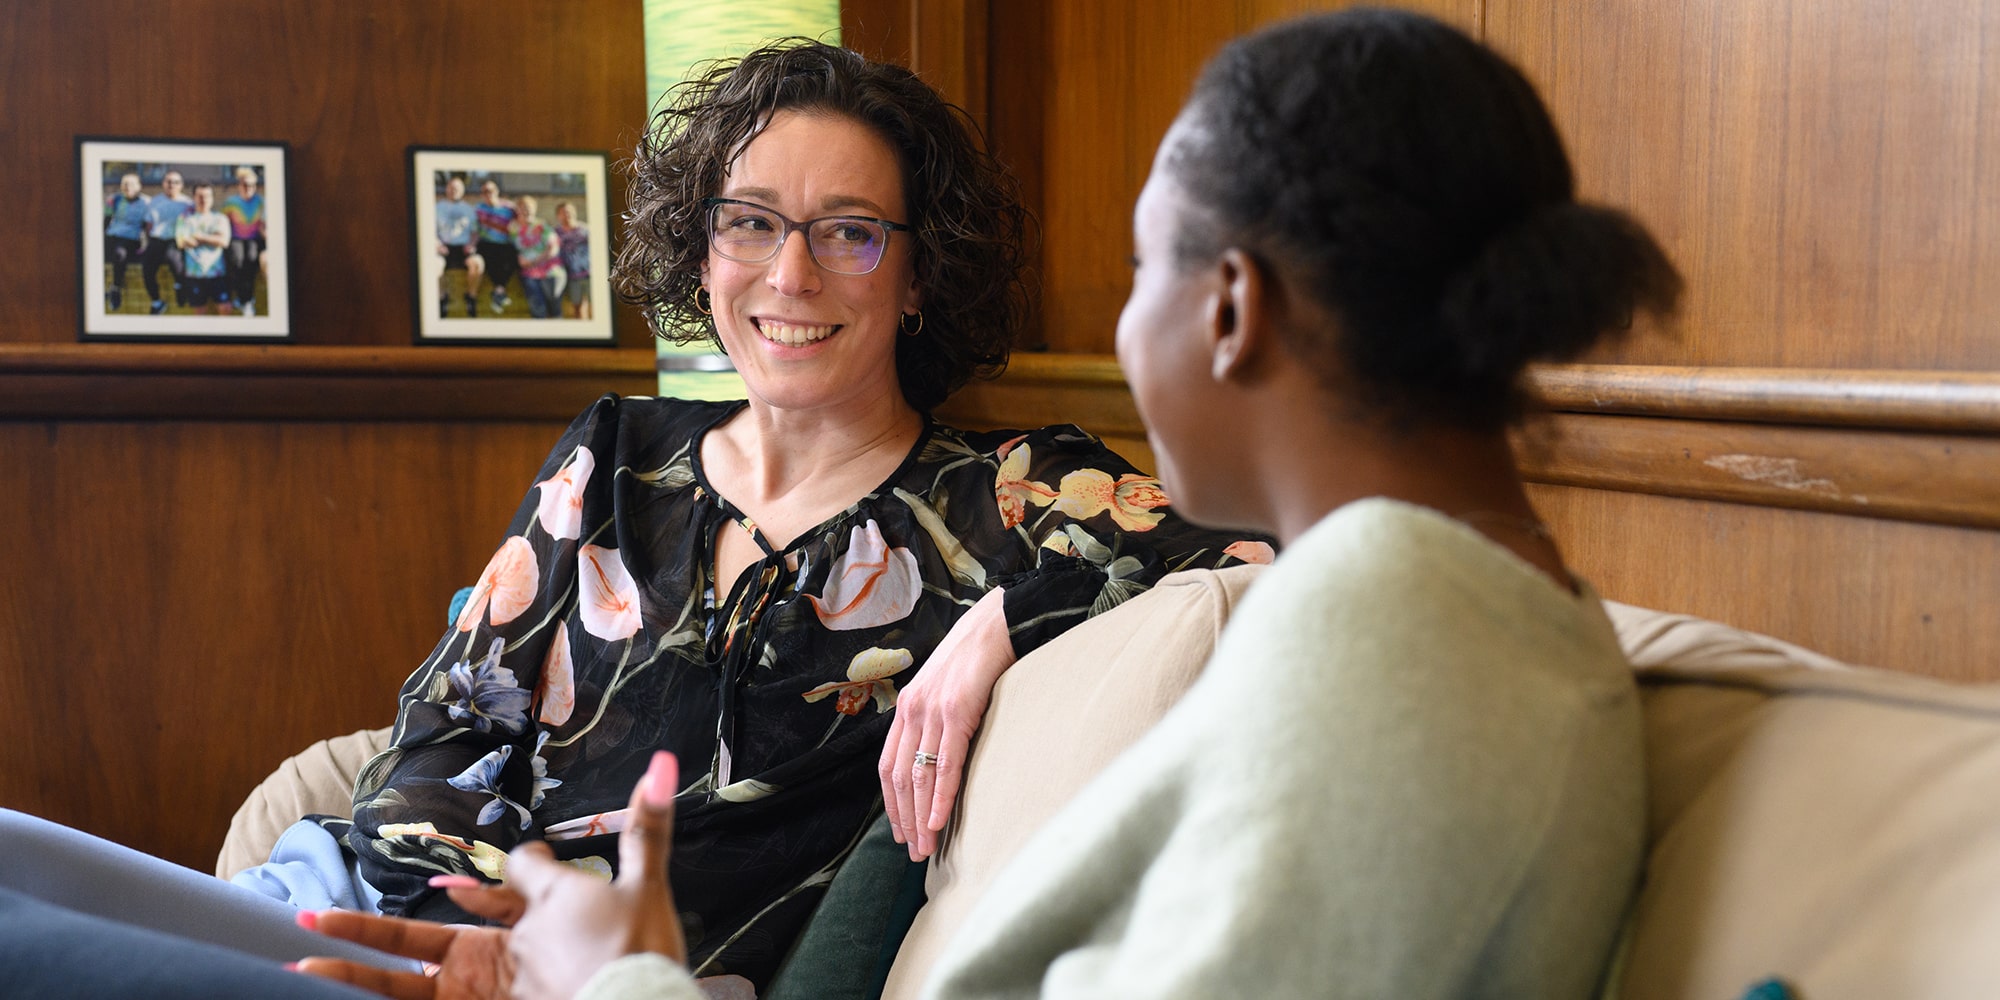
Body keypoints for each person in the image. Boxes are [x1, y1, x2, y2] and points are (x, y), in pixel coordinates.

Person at [303, 8, 1683, 998]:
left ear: (1231, 310)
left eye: (1142, 266)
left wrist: (624, 979)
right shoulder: (1449, 614)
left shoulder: (1393, 644)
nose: (792, 272)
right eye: (753, 222)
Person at [0, 36, 1254, 996]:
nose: (788, 275)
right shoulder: (615, 450)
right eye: (750, 223)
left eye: (849, 235)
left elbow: (1253, 557)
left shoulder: (1005, 489)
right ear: (701, 250)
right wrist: (464, 915)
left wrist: (996, 622)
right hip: (385, 922)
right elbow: (448, 718)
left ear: (922, 272)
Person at [174, 184, 233, 316]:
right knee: (199, 313)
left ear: (212, 198)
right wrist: (213, 237)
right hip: (194, 275)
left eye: (207, 196)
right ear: (194, 197)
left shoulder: (220, 218)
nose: (203, 199)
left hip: (217, 273)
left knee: (225, 309)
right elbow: (181, 242)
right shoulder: (185, 218)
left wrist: (198, 236)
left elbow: (223, 241)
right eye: (200, 196)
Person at [139, 169, 194, 313]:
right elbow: (148, 225)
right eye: (168, 182)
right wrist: (147, 241)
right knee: (146, 269)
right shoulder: (155, 201)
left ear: (181, 185)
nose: (172, 185)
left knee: (174, 260)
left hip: (177, 240)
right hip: (157, 239)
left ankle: (180, 288)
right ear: (163, 184)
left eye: (176, 182)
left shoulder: (187, 203)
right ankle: (157, 302)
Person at [510, 194, 566, 318]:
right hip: (529, 273)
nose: (526, 210)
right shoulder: (513, 229)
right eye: (523, 207)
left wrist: (535, 261)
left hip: (551, 270)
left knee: (554, 308)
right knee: (538, 310)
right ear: (518, 210)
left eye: (529, 207)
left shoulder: (542, 226)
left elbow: (554, 247)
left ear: (534, 209)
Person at [220, 166, 265, 316]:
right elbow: (224, 222)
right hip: (236, 239)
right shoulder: (231, 202)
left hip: (254, 239)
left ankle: (247, 300)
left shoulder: (261, 202)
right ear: (239, 185)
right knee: (237, 261)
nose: (248, 188)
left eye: (252, 185)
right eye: (245, 184)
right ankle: (241, 298)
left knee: (251, 261)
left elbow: (264, 224)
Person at [102, 171, 149, 312]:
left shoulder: (146, 202)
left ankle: (116, 289)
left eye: (131, 184)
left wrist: (147, 245)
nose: (128, 187)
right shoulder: (114, 199)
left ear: (139, 186)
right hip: (113, 234)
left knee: (119, 254)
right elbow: (106, 221)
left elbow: (147, 226)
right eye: (125, 184)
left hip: (132, 237)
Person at [471, 178, 520, 313]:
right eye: (485, 191)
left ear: (497, 191)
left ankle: (498, 291)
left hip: (505, 243)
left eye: (491, 190)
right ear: (482, 194)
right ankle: (499, 292)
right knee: (488, 255)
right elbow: (475, 230)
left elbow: (521, 221)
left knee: (513, 256)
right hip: (486, 243)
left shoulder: (509, 207)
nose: (488, 193)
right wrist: (472, 245)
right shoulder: (478, 209)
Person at [436, 175, 481, 318]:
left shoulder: (469, 209)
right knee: (433, 265)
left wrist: (472, 244)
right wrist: (437, 244)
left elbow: (475, 232)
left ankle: (471, 298)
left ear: (462, 191)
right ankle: (442, 299)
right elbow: (428, 231)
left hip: (463, 248)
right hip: (444, 247)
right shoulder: (437, 208)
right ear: (447, 189)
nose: (454, 190)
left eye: (457, 188)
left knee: (478, 263)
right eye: (451, 187)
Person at [555, 201, 592, 319]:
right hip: (571, 275)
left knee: (588, 307)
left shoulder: (585, 230)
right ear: (558, 216)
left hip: (589, 273)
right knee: (576, 308)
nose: (567, 214)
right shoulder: (555, 233)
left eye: (569, 211)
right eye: (563, 212)